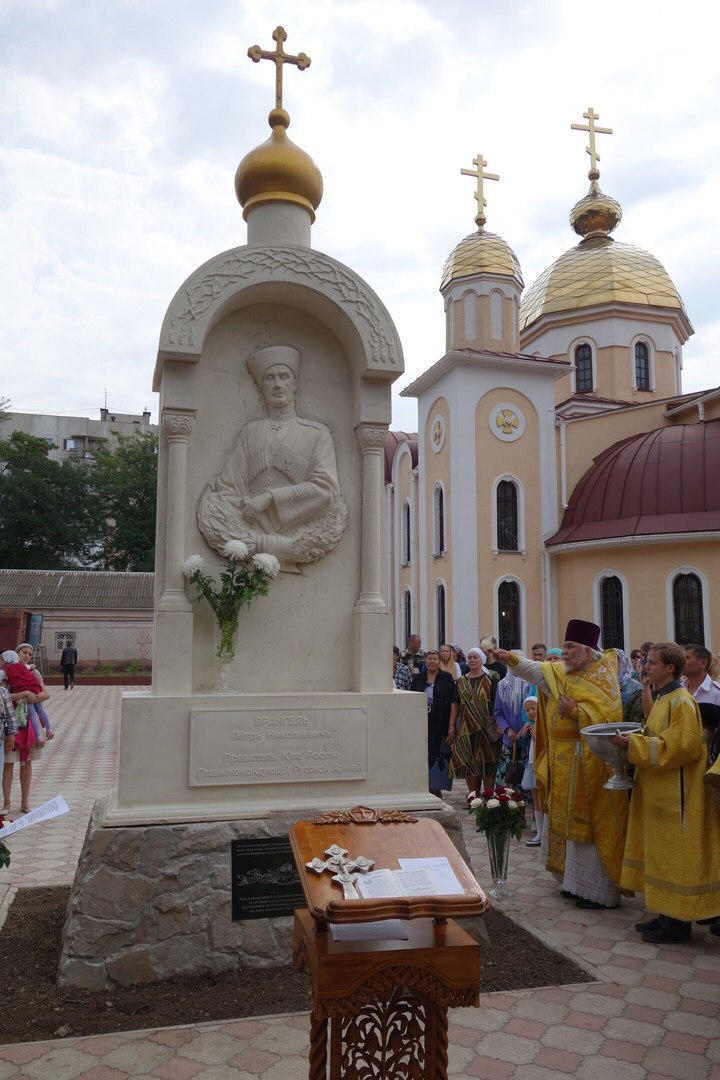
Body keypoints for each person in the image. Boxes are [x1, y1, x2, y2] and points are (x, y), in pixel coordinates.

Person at [496, 620, 628, 910]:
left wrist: (575, 711)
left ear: (586, 650)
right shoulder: (565, 671)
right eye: (564, 646)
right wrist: (512, 659)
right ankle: (575, 883)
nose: (564, 652)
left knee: (588, 826)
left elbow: (609, 718)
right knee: (567, 825)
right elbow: (537, 671)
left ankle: (600, 892)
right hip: (565, 761)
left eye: (569, 647)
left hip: (589, 764)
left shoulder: (602, 677)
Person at [197, 346, 346, 569]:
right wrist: (243, 508)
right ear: (261, 386)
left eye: (284, 377)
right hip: (250, 526)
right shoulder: (250, 432)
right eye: (270, 378)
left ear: (295, 384)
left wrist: (269, 498)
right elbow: (228, 487)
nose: (277, 384)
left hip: (294, 525)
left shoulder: (317, 433)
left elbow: (326, 490)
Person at [610, 642, 720, 943]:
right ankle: (665, 914)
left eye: (653, 663)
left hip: (678, 796)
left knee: (677, 859)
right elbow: (657, 734)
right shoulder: (663, 698)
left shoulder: (681, 702)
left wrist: (634, 745)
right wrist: (636, 737)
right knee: (661, 856)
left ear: (670, 668)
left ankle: (678, 924)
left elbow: (682, 748)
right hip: (660, 791)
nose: (646, 666)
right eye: (647, 662)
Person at [0, 649, 50, 815]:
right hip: (10, 723)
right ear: (16, 654)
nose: (27, 655)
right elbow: (3, 695)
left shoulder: (33, 672)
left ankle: (25, 801)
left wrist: (32, 697)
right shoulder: (6, 672)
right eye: (24, 652)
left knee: (26, 762)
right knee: (8, 763)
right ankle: (6, 802)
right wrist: (24, 695)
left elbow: (45, 694)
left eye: (30, 653)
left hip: (30, 722)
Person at [448, 647, 500, 801]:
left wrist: (498, 725)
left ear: (481, 660)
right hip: (466, 727)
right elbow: (455, 705)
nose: (471, 660)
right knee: (468, 761)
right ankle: (474, 797)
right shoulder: (460, 682)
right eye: (469, 658)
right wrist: (451, 726)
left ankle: (489, 796)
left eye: (475, 657)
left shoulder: (492, 681)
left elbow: (497, 705)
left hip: (486, 729)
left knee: (488, 762)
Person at [410, 650, 456, 798]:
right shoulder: (418, 679)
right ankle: (426, 788)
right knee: (425, 755)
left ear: (439, 661)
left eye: (435, 659)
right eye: (429, 658)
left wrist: (451, 725)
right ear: (425, 661)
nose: (432, 661)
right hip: (422, 724)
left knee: (441, 755)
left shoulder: (446, 678)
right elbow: (411, 699)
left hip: (441, 724)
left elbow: (453, 702)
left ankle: (438, 789)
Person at [493, 658, 533, 786]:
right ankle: (507, 804)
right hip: (509, 738)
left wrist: (523, 731)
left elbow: (534, 709)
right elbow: (498, 713)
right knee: (508, 776)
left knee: (527, 775)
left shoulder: (530, 683)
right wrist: (508, 729)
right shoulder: (502, 684)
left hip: (528, 735)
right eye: (512, 664)